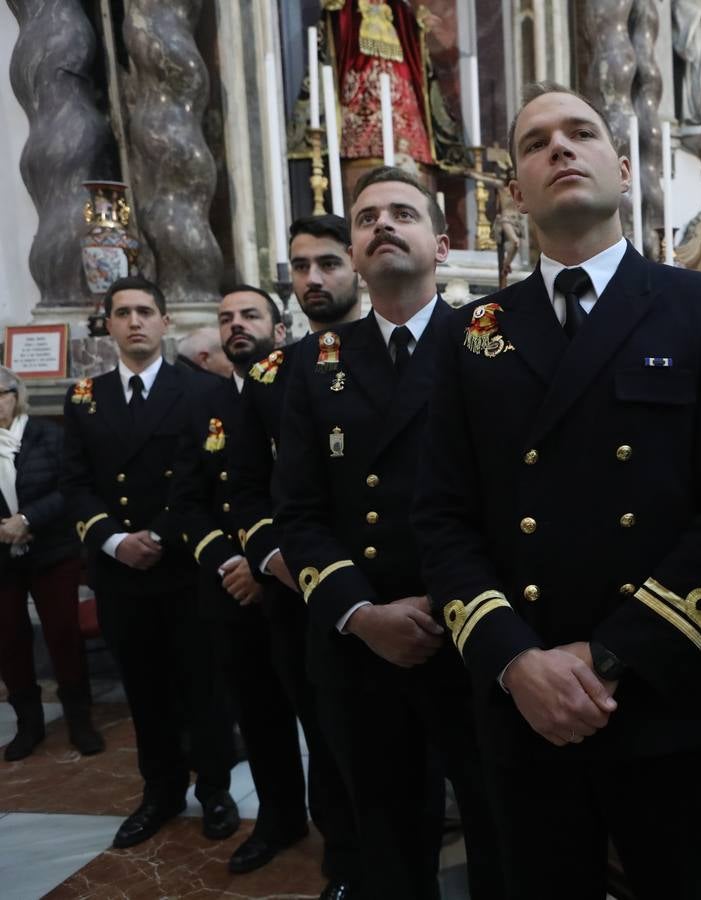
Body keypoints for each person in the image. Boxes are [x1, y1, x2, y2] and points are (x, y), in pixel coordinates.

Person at [412, 81, 701, 900]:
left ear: (620, 164)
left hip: (665, 691)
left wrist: (611, 654)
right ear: (515, 191)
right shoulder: (476, 331)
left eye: (580, 133)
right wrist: (514, 661)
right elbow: (442, 515)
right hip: (526, 701)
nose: (560, 149)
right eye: (537, 143)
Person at [276, 169, 503, 900]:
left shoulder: (488, 344)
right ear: (356, 250)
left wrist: (459, 603)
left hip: (474, 632)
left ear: (441, 243)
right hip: (363, 642)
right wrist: (362, 614)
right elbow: (300, 512)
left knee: (501, 829)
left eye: (402, 212)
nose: (382, 224)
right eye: (367, 216)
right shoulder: (314, 364)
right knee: (387, 842)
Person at [60, 276, 238, 849]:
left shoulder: (202, 392)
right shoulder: (86, 396)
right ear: (108, 325)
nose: (134, 321)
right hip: (122, 572)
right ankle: (159, 791)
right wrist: (113, 540)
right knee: (144, 687)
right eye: (122, 313)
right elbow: (76, 483)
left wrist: (159, 533)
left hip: (185, 565)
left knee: (203, 683)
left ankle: (214, 789)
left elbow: (209, 482)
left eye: (145, 312)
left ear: (166, 323)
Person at [228, 215, 361, 898]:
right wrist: (274, 556)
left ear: (358, 264)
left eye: (329, 263)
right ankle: (344, 860)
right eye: (301, 267)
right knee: (327, 730)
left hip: (393, 583)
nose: (313, 279)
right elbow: (247, 488)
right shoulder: (271, 375)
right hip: (300, 590)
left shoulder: (398, 349)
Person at [170, 286, 314, 876]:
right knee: (258, 717)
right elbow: (187, 501)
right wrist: (231, 565)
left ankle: (349, 840)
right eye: (225, 318)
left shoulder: (304, 392)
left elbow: (308, 497)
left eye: (250, 315)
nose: (235, 325)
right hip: (231, 592)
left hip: (299, 588)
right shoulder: (205, 409)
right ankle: (279, 821)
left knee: (325, 722)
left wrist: (264, 566)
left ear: (279, 331)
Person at [0, 367, 103, 761]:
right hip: (2, 558)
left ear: (17, 394)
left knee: (62, 635)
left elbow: (70, 487)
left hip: (52, 551)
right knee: (9, 639)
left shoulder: (50, 436)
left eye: (0, 393)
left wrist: (27, 520)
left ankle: (80, 720)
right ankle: (29, 724)